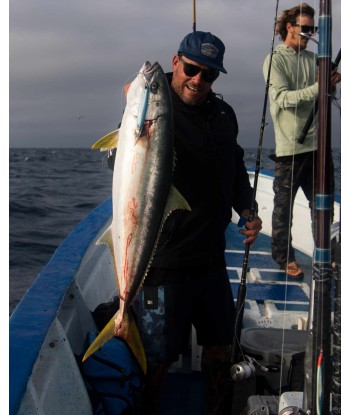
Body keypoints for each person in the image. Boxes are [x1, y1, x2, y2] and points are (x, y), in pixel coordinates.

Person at [109, 31, 262, 414]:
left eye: (209, 75)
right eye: (192, 69)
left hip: (210, 259)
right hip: (161, 262)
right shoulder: (155, 114)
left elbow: (233, 168)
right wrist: (134, 111)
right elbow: (122, 164)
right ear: (176, 61)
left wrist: (247, 209)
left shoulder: (223, 115)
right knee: (156, 360)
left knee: (219, 349)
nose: (198, 80)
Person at [262, 3, 340, 278]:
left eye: (313, 29)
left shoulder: (314, 59)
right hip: (289, 148)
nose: (309, 34)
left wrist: (331, 85)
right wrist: (319, 87)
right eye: (305, 28)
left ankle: (326, 254)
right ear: (288, 27)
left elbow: (324, 94)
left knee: (323, 206)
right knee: (283, 210)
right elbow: (281, 99)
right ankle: (284, 258)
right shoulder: (275, 59)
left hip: (319, 148)